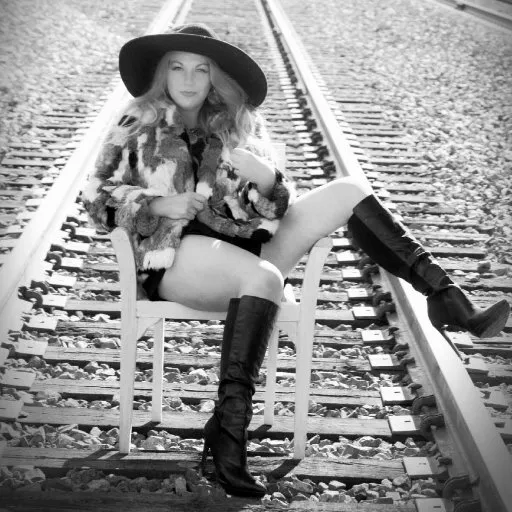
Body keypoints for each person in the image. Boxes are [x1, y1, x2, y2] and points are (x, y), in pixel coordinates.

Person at [82, 23, 510, 498]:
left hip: (247, 246)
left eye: (200, 69)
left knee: (349, 190)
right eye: (177, 67)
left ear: (214, 77)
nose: (188, 79)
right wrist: (159, 204)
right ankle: (227, 437)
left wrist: (268, 180)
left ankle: (445, 297)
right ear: (163, 74)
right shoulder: (138, 123)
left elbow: (270, 213)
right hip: (177, 256)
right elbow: (96, 198)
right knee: (264, 276)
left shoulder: (237, 122)